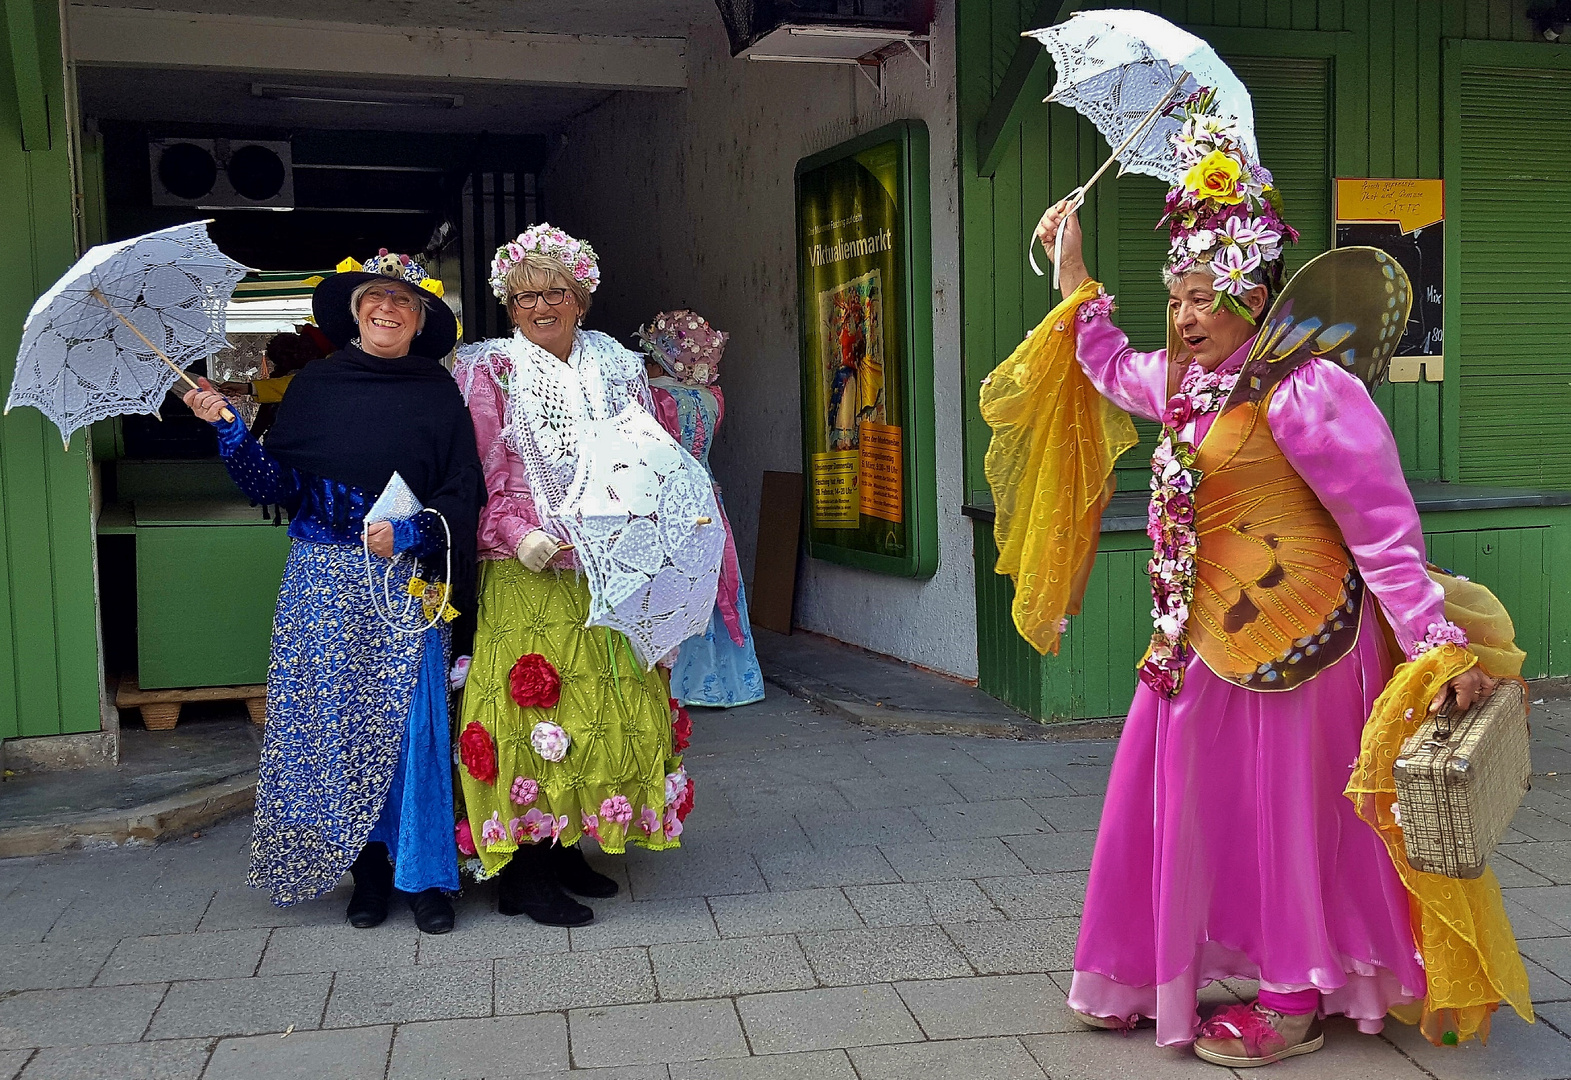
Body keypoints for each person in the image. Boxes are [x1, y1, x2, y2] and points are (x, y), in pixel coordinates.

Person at [1013, 89, 1530, 1064]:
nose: (1182, 315)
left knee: (1282, 818)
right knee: (1170, 801)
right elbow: (1109, 364)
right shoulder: (1184, 379)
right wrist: (1072, 269)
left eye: (1201, 298)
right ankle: (1143, 971)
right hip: (1194, 641)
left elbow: (1381, 530)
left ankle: (1291, 1001)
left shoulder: (1305, 390)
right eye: (1174, 296)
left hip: (1303, 645)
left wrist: (1435, 647)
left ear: (1250, 294)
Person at [183, 250, 482, 935]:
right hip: (323, 582)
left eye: (403, 301)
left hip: (408, 585)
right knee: (335, 729)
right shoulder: (316, 386)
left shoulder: (439, 393)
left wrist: (409, 532)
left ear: (420, 318)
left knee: (414, 730)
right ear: (354, 311)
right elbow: (276, 488)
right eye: (375, 298)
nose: (387, 309)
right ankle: (368, 876)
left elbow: (465, 489)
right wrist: (229, 430)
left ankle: (426, 878)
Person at [452, 224, 693, 927]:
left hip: (605, 564)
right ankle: (521, 874)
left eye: (555, 291)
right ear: (509, 303)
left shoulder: (616, 365)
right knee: (531, 713)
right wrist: (515, 533)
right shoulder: (487, 370)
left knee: (594, 711)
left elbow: (648, 454)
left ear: (580, 296)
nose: (540, 305)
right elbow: (477, 471)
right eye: (524, 295)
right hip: (523, 568)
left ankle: (565, 848)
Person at [635, 310, 765, 708]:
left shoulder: (651, 396)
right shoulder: (711, 398)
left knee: (670, 585)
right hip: (707, 497)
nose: (646, 359)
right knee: (710, 579)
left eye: (652, 351)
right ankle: (729, 682)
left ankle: (676, 682)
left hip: (665, 501)